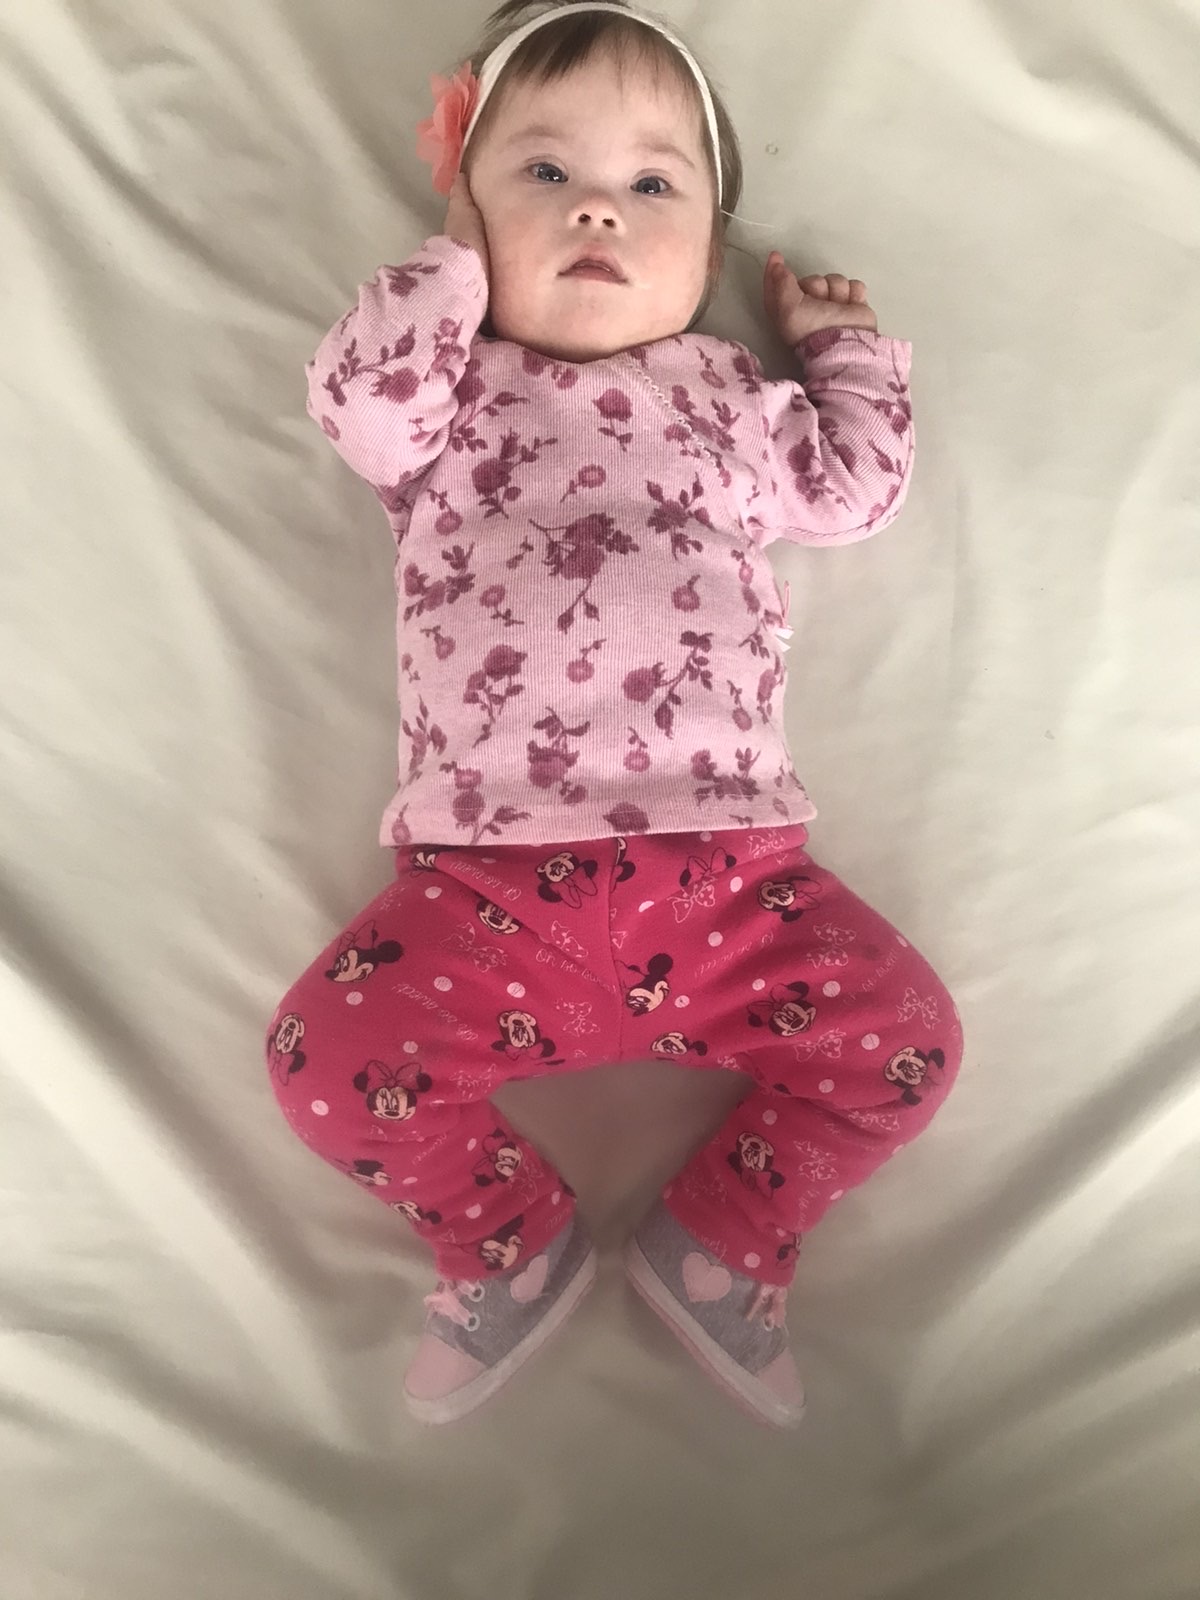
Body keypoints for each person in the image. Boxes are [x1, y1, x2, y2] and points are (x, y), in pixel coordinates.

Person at [266, 0, 963, 1430]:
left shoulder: (731, 399)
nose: (597, 206)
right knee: (323, 1064)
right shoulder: (448, 401)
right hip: (482, 888)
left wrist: (842, 360)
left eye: (654, 183)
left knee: (909, 1047)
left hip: (737, 884)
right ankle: (502, 1239)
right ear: (467, 208)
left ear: (707, 254)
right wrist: (451, 261)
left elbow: (850, 497)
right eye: (543, 172)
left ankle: (726, 1238)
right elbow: (359, 403)